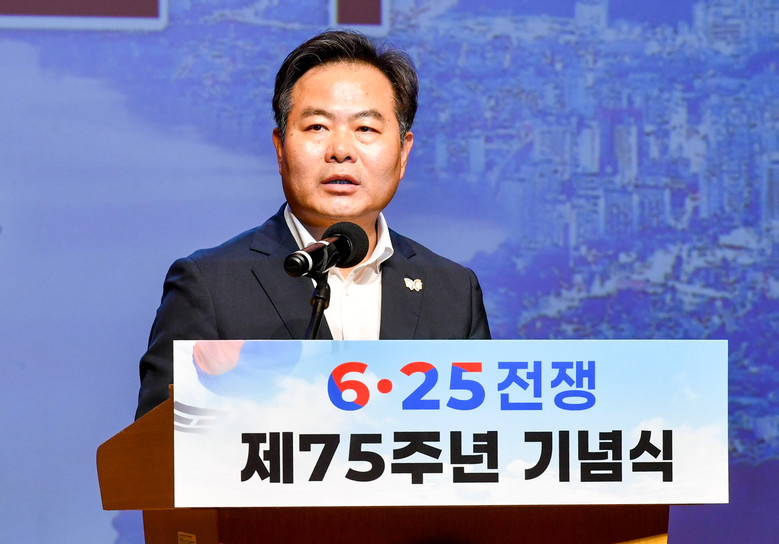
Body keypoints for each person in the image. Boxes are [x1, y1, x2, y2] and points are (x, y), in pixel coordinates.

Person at [135, 30, 491, 419]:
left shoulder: (453, 292)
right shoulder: (210, 285)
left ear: (403, 152)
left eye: (365, 129)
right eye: (317, 127)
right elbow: (154, 449)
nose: (340, 150)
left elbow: (485, 439)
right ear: (280, 148)